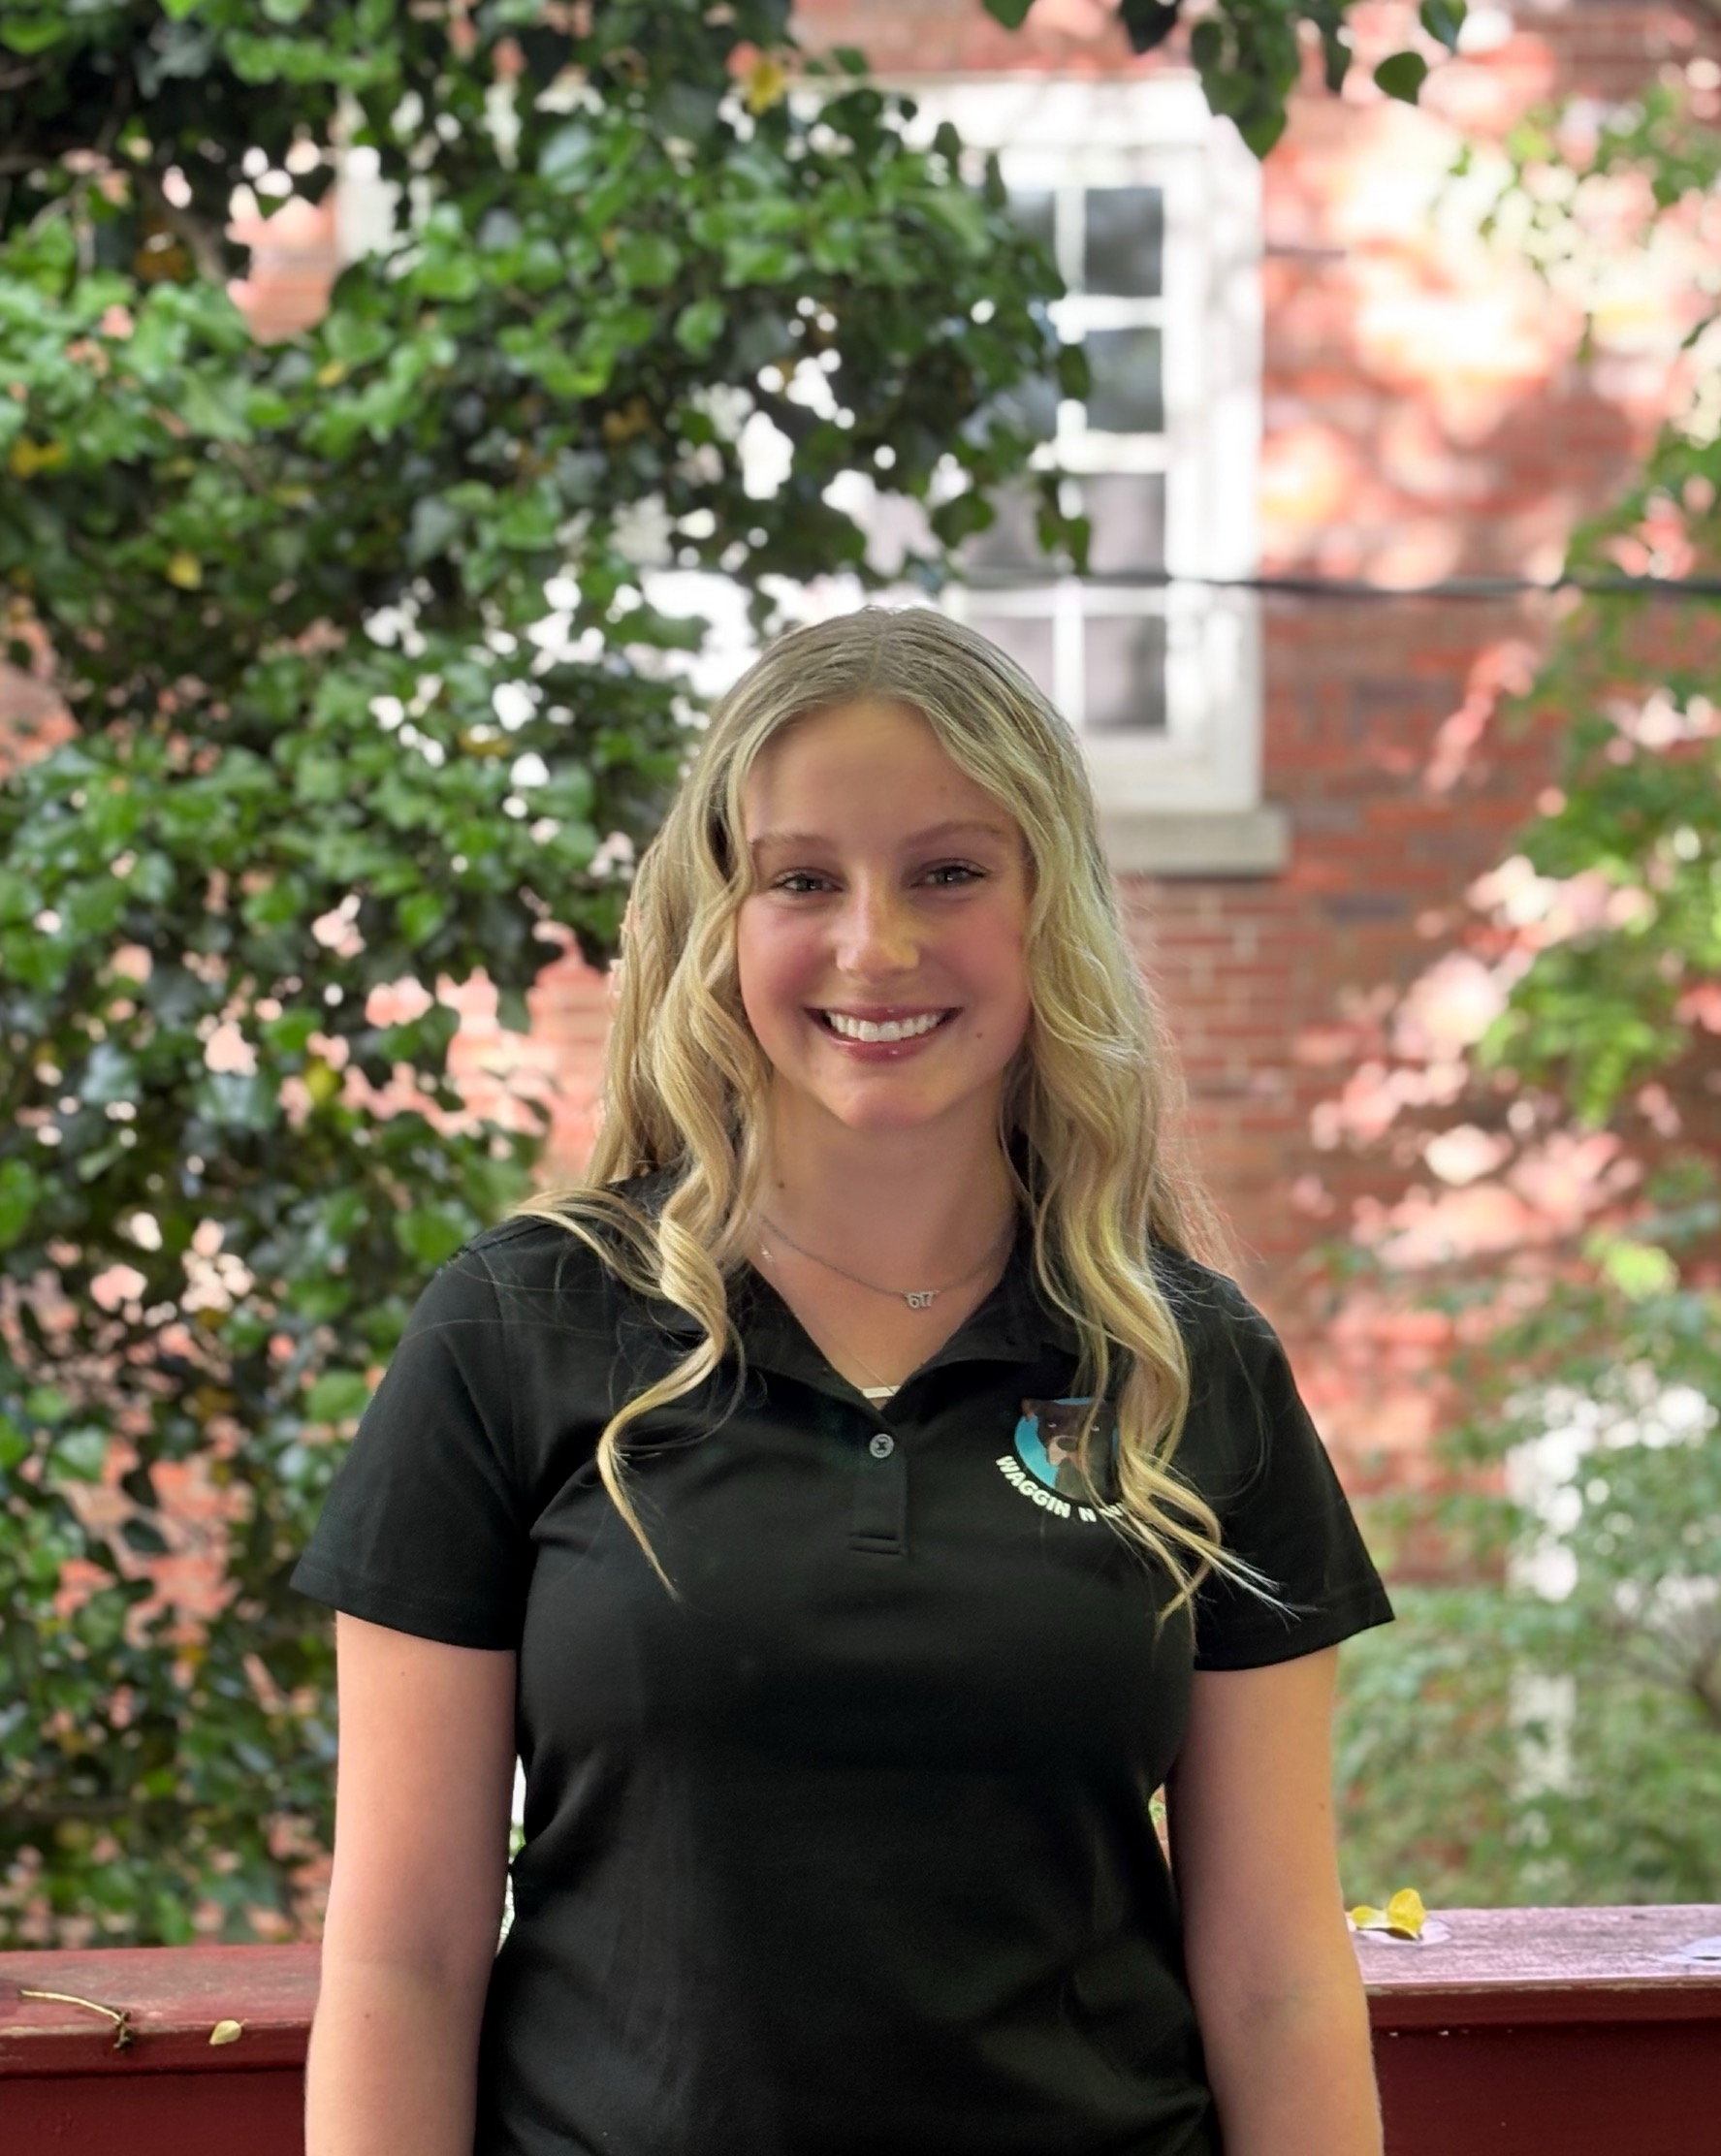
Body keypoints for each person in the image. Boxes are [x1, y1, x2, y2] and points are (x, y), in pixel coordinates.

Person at [293, 604, 1395, 2156]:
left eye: (949, 872)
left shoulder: (1183, 1366)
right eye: (802, 878)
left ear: (1047, 910)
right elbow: (402, 1961)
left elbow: (1278, 1970)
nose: (875, 945)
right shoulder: (516, 1329)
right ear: (717, 923)